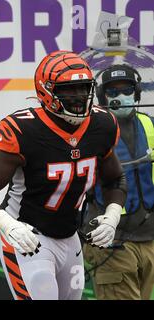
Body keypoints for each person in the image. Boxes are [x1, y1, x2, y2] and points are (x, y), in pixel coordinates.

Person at [0, 50, 127, 300]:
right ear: (46, 91)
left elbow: (114, 178)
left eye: (83, 88)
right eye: (68, 90)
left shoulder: (102, 124)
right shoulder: (25, 129)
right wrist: (9, 226)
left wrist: (112, 215)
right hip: (27, 237)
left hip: (69, 235)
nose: (78, 97)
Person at [82, 64, 154, 300]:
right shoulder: (88, 132)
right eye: (113, 92)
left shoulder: (151, 124)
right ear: (102, 96)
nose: (120, 96)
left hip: (150, 241)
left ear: (137, 94)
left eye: (127, 90)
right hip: (111, 241)